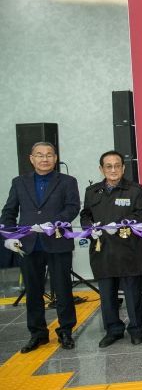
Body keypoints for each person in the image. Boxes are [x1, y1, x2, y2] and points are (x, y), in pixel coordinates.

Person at [1, 142, 80, 352]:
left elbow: (72, 207)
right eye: (39, 155)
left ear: (55, 158)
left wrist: (53, 223)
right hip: (28, 244)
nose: (44, 159)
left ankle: (65, 331)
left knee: (63, 290)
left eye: (49, 155)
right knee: (33, 291)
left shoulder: (68, 181)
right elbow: (9, 211)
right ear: (31, 158)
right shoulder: (19, 182)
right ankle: (37, 334)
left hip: (57, 242)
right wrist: (9, 236)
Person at [80, 151, 142, 347]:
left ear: (123, 168)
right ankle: (113, 330)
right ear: (101, 169)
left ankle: (136, 330)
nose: (113, 170)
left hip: (128, 250)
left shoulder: (135, 189)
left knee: (132, 295)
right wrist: (89, 227)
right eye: (108, 166)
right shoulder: (92, 191)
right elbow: (85, 214)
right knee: (107, 295)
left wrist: (119, 224)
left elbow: (141, 214)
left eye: (117, 165)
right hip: (102, 250)